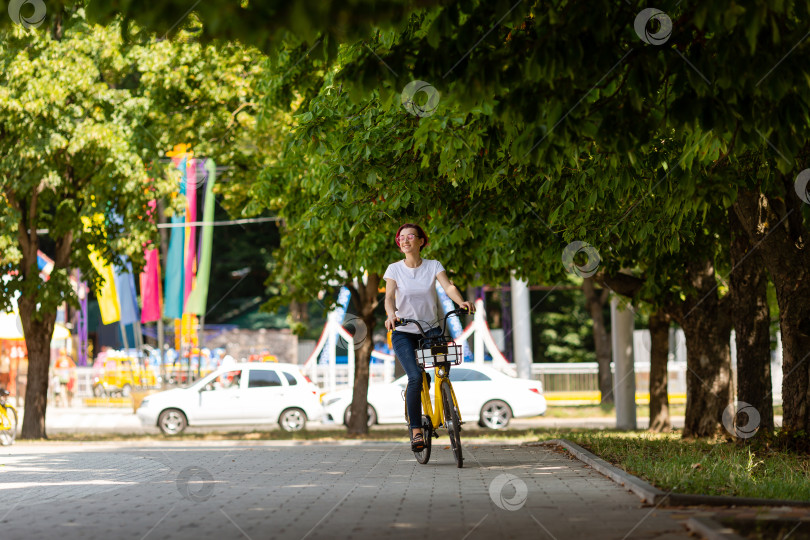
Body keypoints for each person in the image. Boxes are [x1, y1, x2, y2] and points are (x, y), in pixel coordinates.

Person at [383, 223, 474, 452]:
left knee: (443, 368)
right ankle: (415, 430)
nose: (405, 240)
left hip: (431, 330)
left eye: (410, 236)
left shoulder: (433, 266)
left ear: (421, 241)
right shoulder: (394, 269)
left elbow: (448, 286)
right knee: (415, 377)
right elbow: (389, 297)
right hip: (404, 331)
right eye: (401, 237)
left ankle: (446, 407)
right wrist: (391, 315)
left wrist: (460, 301)